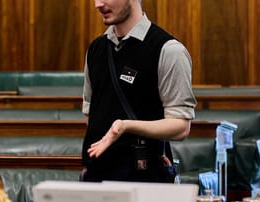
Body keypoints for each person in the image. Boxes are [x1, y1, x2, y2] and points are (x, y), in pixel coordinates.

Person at [81, 0, 196, 183]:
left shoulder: (169, 50)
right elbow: (91, 115)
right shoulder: (95, 50)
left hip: (145, 179)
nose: (98, 4)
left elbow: (181, 126)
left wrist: (126, 126)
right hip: (96, 178)